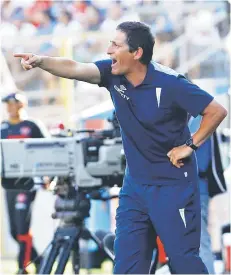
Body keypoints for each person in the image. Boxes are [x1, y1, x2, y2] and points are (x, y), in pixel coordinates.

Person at [14, 21, 227, 274]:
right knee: (126, 267)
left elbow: (216, 111)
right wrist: (41, 61)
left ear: (137, 53)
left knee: (184, 263)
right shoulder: (112, 74)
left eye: (115, 45)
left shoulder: (171, 83)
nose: (108, 50)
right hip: (134, 187)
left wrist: (190, 146)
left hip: (173, 187)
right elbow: (74, 68)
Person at [1, 92, 50, 274]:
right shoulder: (3, 128)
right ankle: (40, 260)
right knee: (15, 231)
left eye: (12, 103)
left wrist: (47, 176)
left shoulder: (32, 126)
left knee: (22, 226)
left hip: (27, 183)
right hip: (8, 185)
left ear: (21, 104)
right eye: (7, 104)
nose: (9, 107)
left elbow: (49, 149)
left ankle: (22, 267)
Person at [189, 116, 227, 274]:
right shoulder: (197, 117)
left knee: (199, 239)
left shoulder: (198, 119)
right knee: (197, 239)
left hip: (194, 186)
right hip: (196, 186)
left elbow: (201, 162)